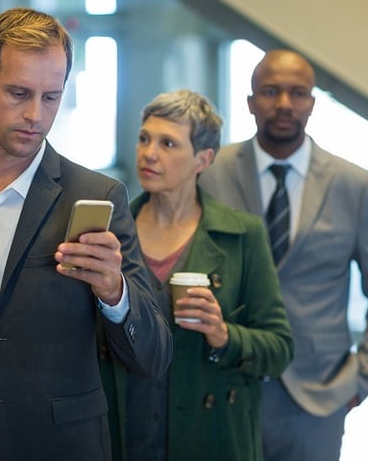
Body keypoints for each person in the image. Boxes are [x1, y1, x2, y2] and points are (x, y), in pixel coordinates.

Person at [0, 7, 172, 461]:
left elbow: (153, 357)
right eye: (18, 93)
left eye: (51, 97)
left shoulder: (96, 196)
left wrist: (114, 293)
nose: (35, 115)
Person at [199, 49, 368, 461]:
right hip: (223, 382)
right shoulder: (208, 173)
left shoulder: (355, 185)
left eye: (297, 93)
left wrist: (361, 379)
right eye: (270, 91)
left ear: (312, 103)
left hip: (317, 395)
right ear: (250, 102)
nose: (284, 104)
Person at [99, 89, 294, 461]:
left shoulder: (243, 235)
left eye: (168, 143)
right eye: (144, 139)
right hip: (121, 431)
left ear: (203, 159)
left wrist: (224, 335)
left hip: (211, 436)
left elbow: (280, 349)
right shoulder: (108, 233)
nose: (149, 153)